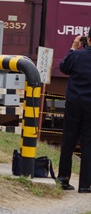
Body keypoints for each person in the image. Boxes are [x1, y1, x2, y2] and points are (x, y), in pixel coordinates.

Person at [56, 31, 91, 193]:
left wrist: (73, 47)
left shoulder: (77, 55)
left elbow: (63, 68)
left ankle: (63, 178)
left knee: (69, 140)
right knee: (88, 144)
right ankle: (85, 185)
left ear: (88, 40)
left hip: (74, 104)